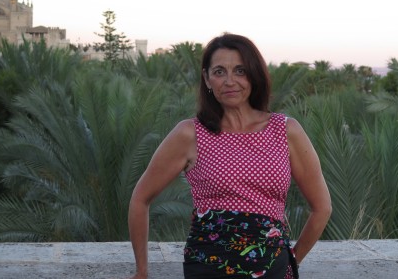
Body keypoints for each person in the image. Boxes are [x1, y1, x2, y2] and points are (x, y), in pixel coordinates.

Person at [127, 33, 331, 278]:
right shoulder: (189, 134)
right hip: (207, 268)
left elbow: (322, 208)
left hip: (272, 269)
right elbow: (140, 198)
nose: (230, 81)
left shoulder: (286, 131)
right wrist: (142, 271)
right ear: (207, 78)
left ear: (254, 74)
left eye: (240, 71)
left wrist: (291, 260)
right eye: (219, 72)